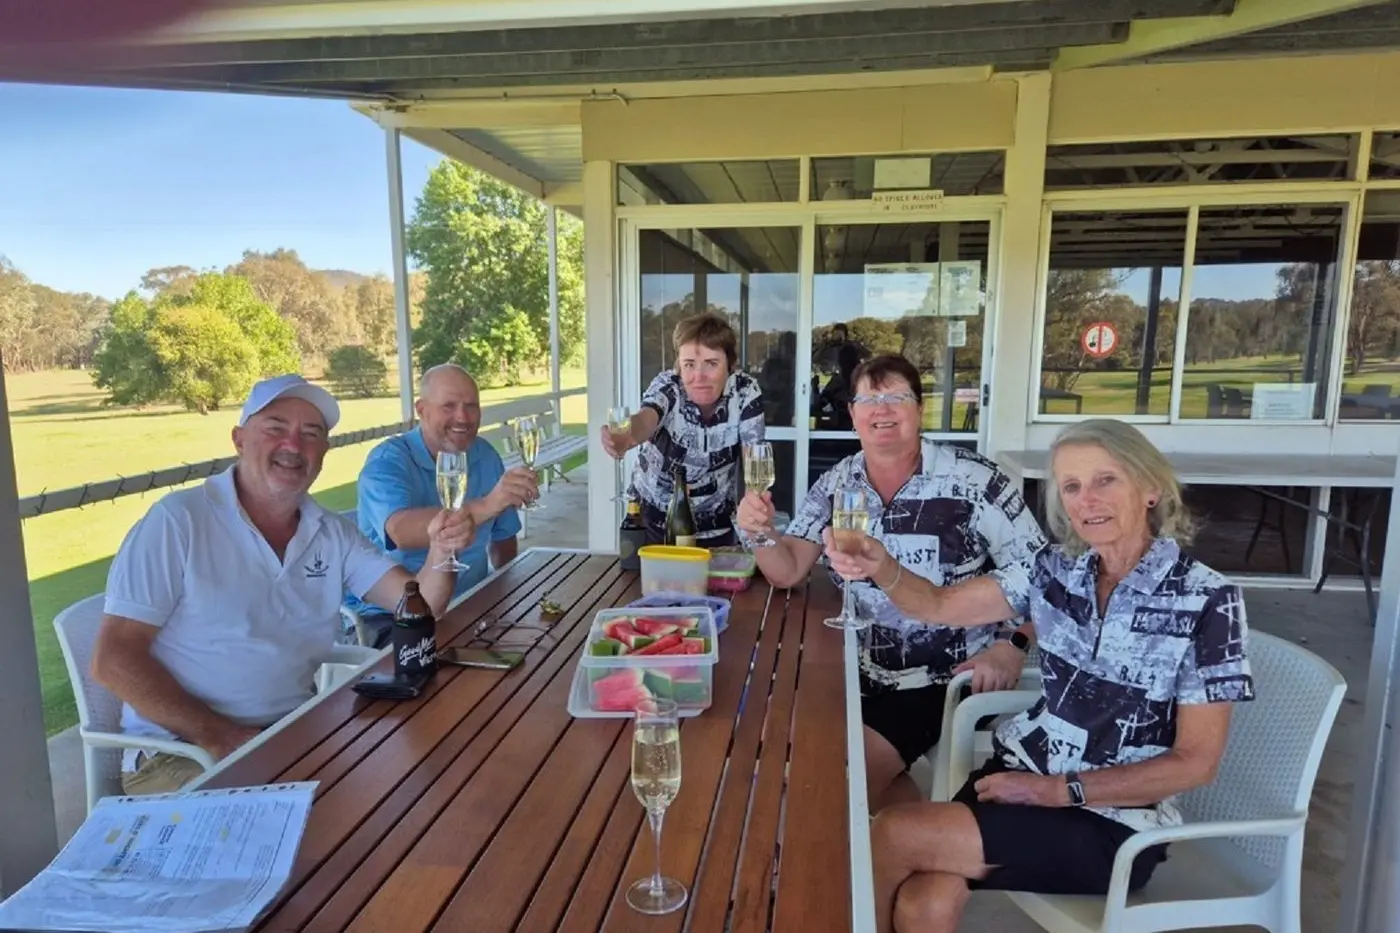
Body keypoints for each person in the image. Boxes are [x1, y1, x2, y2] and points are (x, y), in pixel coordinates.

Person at [863, 419, 1256, 933]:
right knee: (924, 901)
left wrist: (1057, 791)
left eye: (1105, 480)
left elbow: (1195, 764)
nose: (1086, 499)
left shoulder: (1207, 600)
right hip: (1019, 779)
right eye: (1071, 486)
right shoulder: (1056, 567)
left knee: (894, 833)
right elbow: (939, 604)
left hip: (1113, 822)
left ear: (1150, 487)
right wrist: (880, 566)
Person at [92, 375, 474, 796]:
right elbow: (113, 659)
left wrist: (442, 548)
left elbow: (422, 604)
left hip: (290, 736)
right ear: (239, 439)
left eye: (312, 434)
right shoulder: (178, 522)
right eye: (275, 428)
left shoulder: (330, 533)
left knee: (421, 787)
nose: (294, 445)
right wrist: (223, 738)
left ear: (324, 453)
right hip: (182, 753)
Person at [735, 354, 1045, 812]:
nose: (882, 409)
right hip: (855, 670)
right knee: (773, 746)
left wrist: (1012, 645)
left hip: (942, 679)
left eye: (896, 397)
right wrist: (758, 530)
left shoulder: (975, 481)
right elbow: (787, 570)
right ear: (852, 414)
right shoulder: (839, 481)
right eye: (868, 399)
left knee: (822, 785)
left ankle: (831, 865)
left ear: (919, 409)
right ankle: (899, 844)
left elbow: (1050, 579)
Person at [351, 363, 538, 646]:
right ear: (422, 409)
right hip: (395, 616)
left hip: (471, 604)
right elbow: (399, 531)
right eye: (448, 406)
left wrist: (510, 599)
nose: (462, 417)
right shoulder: (388, 461)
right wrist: (490, 503)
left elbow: (503, 540)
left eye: (471, 406)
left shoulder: (485, 455)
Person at [603, 312, 765, 548]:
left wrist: (754, 508)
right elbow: (646, 419)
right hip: (654, 523)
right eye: (689, 364)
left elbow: (756, 462)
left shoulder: (745, 391)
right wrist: (627, 434)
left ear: (730, 365)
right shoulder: (668, 385)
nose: (699, 376)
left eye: (711, 363)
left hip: (716, 526)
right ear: (679, 364)